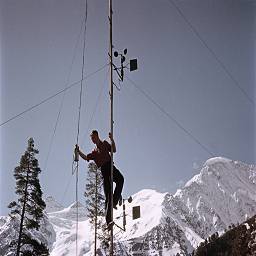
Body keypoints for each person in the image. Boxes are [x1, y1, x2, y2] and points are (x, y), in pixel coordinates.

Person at [76, 130, 124, 227]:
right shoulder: (94, 152)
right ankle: (109, 221)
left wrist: (112, 139)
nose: (93, 140)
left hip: (111, 166)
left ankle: (114, 201)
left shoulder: (105, 143)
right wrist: (78, 151)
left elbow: (114, 150)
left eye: (93, 137)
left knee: (121, 179)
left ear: (97, 136)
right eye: (91, 139)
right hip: (104, 170)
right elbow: (86, 157)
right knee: (108, 195)